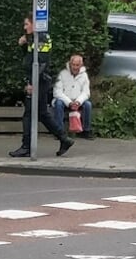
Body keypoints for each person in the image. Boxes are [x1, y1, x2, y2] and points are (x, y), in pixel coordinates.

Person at [10, 15, 73, 159]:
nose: (24, 27)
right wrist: (24, 45)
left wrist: (32, 83)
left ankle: (26, 147)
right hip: (40, 81)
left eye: (26, 24)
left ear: (34, 25)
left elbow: (41, 63)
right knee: (42, 114)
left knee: (28, 115)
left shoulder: (42, 38)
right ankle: (64, 139)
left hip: (39, 81)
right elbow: (30, 59)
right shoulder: (34, 38)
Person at [52, 53, 93, 138]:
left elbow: (86, 92)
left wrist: (78, 102)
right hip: (64, 101)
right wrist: (69, 102)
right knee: (58, 103)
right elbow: (57, 92)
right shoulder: (62, 74)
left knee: (88, 105)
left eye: (77, 65)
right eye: (73, 65)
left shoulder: (84, 76)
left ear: (81, 65)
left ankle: (86, 131)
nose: (75, 67)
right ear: (70, 64)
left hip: (78, 101)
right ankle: (59, 132)